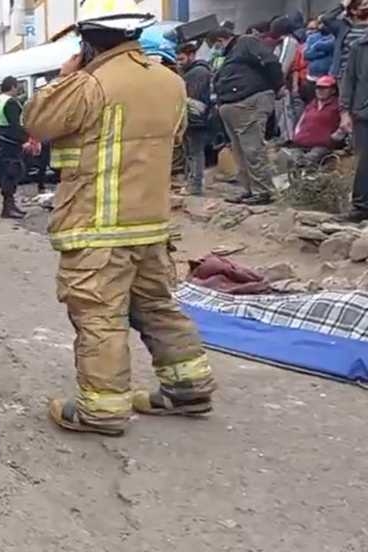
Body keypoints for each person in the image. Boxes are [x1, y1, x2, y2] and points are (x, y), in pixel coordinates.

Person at [23, 9, 216, 437]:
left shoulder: (89, 84)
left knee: (99, 317)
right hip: (151, 224)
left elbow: (36, 120)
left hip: (97, 227)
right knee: (157, 307)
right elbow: (174, 138)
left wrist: (64, 77)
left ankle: (102, 411)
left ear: (88, 41)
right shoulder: (170, 81)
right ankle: (188, 389)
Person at [208, 26, 283, 206]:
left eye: (214, 45)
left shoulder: (246, 42)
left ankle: (263, 191)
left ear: (220, 40)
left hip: (249, 101)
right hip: (234, 104)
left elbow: (271, 62)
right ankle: (249, 189)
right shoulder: (231, 54)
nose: (215, 50)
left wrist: (277, 86)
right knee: (240, 151)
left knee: (252, 149)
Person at [340, 22, 368, 220]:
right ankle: (361, 207)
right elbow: (349, 80)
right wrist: (344, 112)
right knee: (365, 161)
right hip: (364, 112)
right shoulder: (360, 46)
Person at [177, 42, 213, 196]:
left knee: (195, 153)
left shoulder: (198, 73)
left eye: (181, 59)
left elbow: (192, 97)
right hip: (193, 117)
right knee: (190, 152)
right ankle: (191, 183)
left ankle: (195, 185)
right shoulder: (193, 71)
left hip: (196, 118)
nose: (179, 63)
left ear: (191, 55)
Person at [0, 76, 28, 219]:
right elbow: (16, 124)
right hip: (11, 143)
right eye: (16, 87)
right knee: (12, 173)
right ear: (13, 87)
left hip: (1, 140)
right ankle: (8, 208)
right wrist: (25, 139)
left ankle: (10, 206)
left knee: (7, 174)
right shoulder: (10, 102)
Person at [290, 75, 344, 167]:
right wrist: (296, 135)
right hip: (301, 143)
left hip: (322, 145)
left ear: (333, 90)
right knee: (290, 158)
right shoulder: (311, 105)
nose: (320, 91)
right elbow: (300, 122)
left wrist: (333, 139)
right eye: (318, 88)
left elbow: (344, 125)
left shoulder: (338, 106)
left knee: (309, 160)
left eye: (324, 88)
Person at [271, 16, 307, 144]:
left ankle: (289, 139)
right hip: (290, 81)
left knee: (287, 110)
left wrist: (276, 82)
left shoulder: (288, 41)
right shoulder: (286, 42)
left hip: (288, 83)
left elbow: (284, 64)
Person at [321, 0, 368, 80]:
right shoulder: (342, 27)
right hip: (344, 75)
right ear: (353, 10)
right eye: (365, 4)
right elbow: (326, 18)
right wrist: (343, 4)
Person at [304, 19, 337, 102]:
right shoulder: (312, 37)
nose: (323, 26)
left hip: (328, 78)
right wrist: (323, 52)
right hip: (312, 78)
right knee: (311, 103)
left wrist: (317, 47)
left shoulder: (335, 37)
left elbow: (332, 46)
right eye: (321, 23)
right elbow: (307, 54)